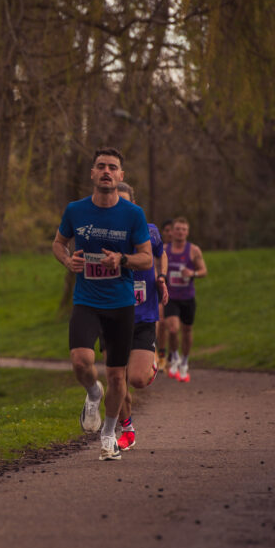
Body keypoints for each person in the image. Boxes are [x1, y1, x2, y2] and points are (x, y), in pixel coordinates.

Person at [52, 147, 153, 461]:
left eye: (112, 167)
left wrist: (121, 259)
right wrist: (67, 261)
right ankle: (92, 393)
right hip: (87, 299)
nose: (106, 171)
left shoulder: (133, 214)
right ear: (93, 173)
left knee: (117, 377)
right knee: (81, 361)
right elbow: (58, 243)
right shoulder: (75, 210)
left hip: (121, 304)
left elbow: (147, 258)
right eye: (101, 166)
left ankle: (109, 435)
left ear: (121, 175)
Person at [114, 183, 168, 451]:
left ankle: (151, 365)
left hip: (144, 315)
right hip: (112, 315)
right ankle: (127, 428)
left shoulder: (150, 231)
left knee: (137, 379)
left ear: (134, 206)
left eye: (126, 203)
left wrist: (161, 277)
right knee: (116, 379)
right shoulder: (105, 235)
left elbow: (161, 254)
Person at [163, 217, 207, 382]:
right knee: (173, 329)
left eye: (184, 229)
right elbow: (157, 268)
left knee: (187, 330)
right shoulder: (165, 250)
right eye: (178, 229)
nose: (180, 232)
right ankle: (174, 356)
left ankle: (185, 362)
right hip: (171, 297)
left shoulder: (193, 250)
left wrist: (192, 273)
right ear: (172, 231)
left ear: (187, 232)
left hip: (187, 297)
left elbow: (203, 271)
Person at [155, 219, 173, 368]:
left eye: (171, 230)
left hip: (176, 292)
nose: (170, 233)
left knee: (171, 327)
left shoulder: (185, 249)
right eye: (166, 230)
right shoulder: (157, 246)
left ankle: (168, 354)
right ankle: (158, 355)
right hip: (158, 288)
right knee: (159, 322)